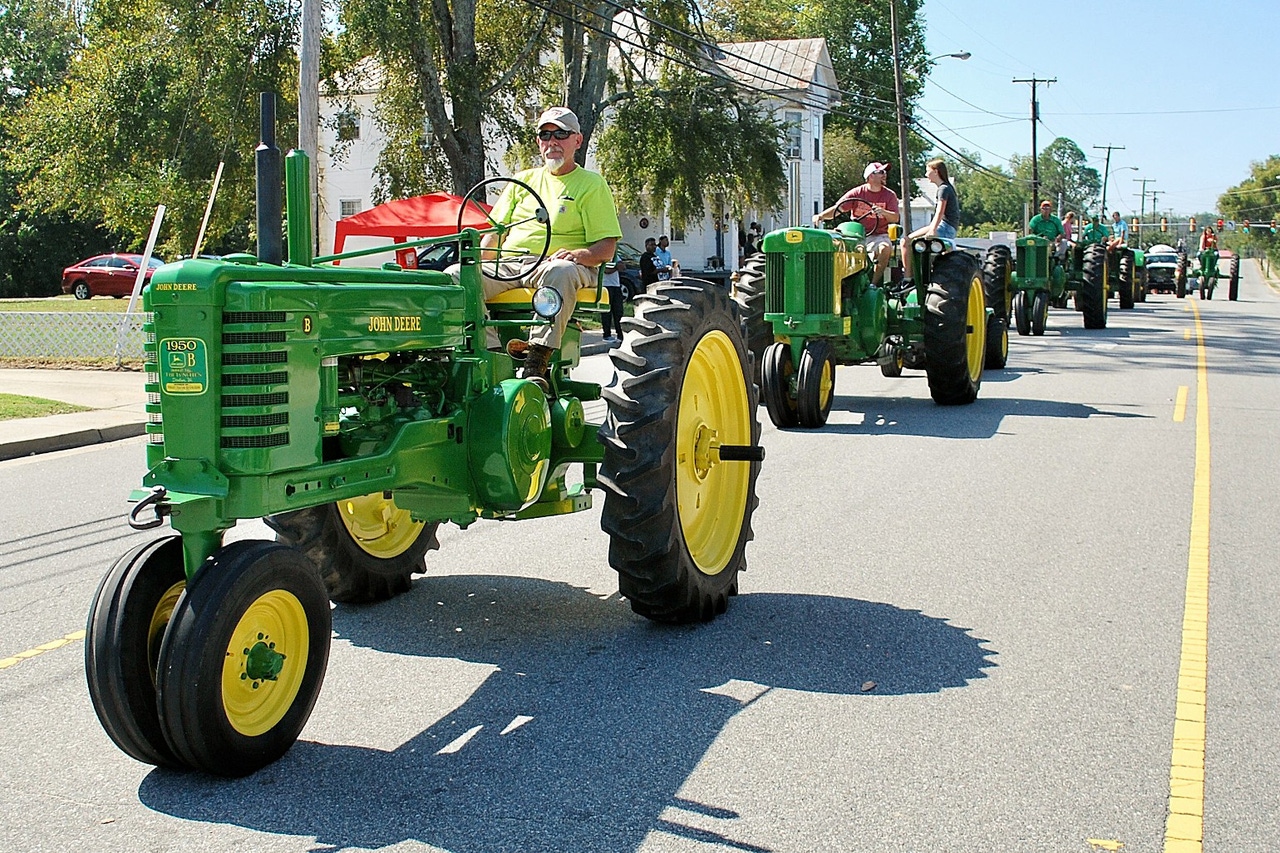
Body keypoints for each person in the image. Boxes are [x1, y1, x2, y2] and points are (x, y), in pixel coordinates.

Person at [481, 107, 621, 390]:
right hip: (512, 264)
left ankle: (536, 362)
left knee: (560, 270)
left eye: (561, 134)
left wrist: (583, 255)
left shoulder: (591, 185)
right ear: (538, 142)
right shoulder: (522, 181)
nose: (552, 141)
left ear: (577, 141)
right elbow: (493, 234)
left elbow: (607, 248)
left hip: (557, 266)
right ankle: (492, 357)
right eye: (545, 135)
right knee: (458, 276)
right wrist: (480, 260)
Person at [813, 161, 900, 283]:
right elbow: (838, 209)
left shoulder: (889, 195)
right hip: (855, 234)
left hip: (878, 235)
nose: (884, 175)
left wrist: (883, 212)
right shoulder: (857, 193)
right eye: (880, 172)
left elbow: (895, 218)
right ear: (870, 176)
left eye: (884, 172)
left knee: (885, 248)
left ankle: (873, 285)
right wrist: (820, 216)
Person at [901, 158, 959, 279]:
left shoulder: (943, 189)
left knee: (905, 242)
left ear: (936, 172)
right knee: (909, 242)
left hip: (945, 227)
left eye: (927, 171)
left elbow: (940, 211)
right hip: (948, 226)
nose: (926, 175)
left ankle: (908, 279)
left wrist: (932, 230)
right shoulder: (947, 187)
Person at [599, 262, 624, 346]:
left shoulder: (616, 257)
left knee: (618, 312)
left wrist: (616, 267)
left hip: (616, 286)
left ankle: (620, 335)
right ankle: (607, 335)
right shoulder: (603, 256)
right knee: (606, 312)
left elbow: (623, 267)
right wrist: (616, 267)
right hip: (605, 286)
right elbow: (606, 270)